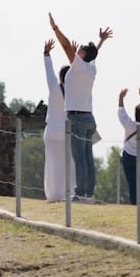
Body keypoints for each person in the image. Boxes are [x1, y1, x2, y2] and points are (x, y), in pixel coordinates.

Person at [49, 12, 113, 202]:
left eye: (82, 50)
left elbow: (66, 45)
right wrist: (100, 42)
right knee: (87, 157)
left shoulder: (78, 66)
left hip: (76, 118)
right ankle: (89, 193)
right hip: (88, 118)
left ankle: (81, 193)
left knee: (79, 157)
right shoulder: (91, 68)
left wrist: (55, 29)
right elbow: (93, 55)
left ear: (82, 54)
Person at [42, 39, 76, 202]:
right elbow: (79, 73)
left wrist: (46, 54)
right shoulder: (75, 92)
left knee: (53, 165)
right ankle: (67, 193)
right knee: (68, 165)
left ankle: (53, 195)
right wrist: (75, 57)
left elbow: (49, 72)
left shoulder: (54, 87)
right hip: (67, 133)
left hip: (52, 132)